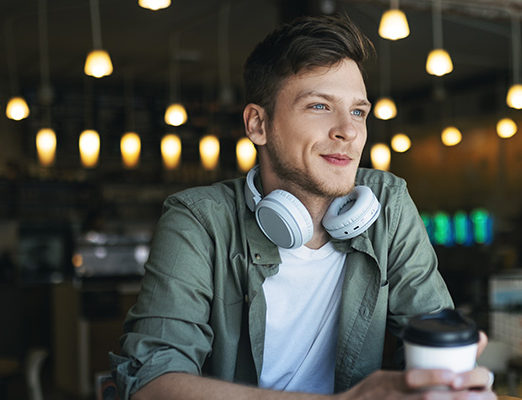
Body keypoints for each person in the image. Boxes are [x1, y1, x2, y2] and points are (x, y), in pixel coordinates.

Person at [110, 13, 497, 400]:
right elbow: (151, 382)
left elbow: (432, 333)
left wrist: (449, 380)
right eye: (319, 106)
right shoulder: (198, 219)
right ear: (258, 125)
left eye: (358, 111)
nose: (348, 130)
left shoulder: (387, 202)